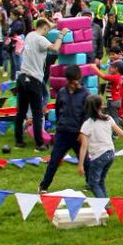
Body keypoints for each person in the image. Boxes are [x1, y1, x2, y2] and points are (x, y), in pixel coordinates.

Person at [38, 65, 89, 193]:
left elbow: (87, 115)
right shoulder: (62, 92)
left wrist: (83, 132)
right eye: (71, 82)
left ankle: (91, 183)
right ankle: (44, 187)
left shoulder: (85, 94)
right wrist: (61, 124)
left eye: (76, 82)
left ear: (80, 79)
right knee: (54, 161)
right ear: (68, 80)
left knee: (86, 161)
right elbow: (58, 109)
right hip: (62, 133)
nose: (74, 85)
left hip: (78, 134)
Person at [13, 18, 62, 149]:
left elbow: (44, 24)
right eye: (47, 30)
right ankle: (40, 143)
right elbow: (55, 48)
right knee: (37, 113)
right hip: (34, 79)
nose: (48, 32)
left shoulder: (29, 35)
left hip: (22, 77)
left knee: (21, 111)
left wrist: (53, 24)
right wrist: (61, 35)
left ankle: (19, 141)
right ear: (44, 28)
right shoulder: (41, 39)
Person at [77, 94, 123, 197]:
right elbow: (120, 132)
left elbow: (84, 146)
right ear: (101, 106)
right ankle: (106, 204)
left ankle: (103, 204)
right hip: (110, 154)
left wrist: (81, 164)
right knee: (100, 181)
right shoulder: (108, 119)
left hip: (98, 157)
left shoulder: (87, 124)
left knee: (93, 184)